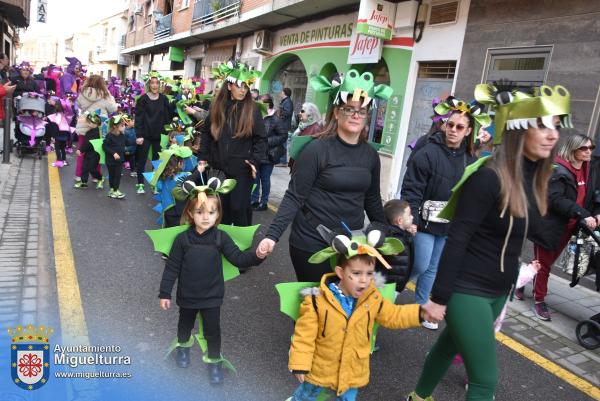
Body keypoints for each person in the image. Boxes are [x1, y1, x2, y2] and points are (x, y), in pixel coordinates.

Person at [406, 83, 571, 401]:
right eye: (541, 125)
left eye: (556, 126)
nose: (552, 134)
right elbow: (457, 238)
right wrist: (439, 298)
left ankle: (417, 397)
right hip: (467, 292)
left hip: (498, 291)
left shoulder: (531, 181)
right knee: (485, 380)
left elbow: (538, 231)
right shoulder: (487, 178)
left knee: (446, 347)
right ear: (518, 129)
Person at [256, 69, 393, 281]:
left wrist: (385, 232)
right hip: (312, 242)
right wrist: (272, 236)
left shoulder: (370, 155)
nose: (356, 115)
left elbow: (372, 199)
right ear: (336, 113)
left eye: (362, 111)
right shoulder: (316, 150)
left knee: (343, 308)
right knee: (315, 307)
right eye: (349, 109)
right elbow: (294, 196)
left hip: (351, 244)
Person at [286, 234, 436, 401]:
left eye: (369, 273)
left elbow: (394, 315)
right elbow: (304, 336)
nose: (364, 280)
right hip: (320, 366)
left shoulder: (372, 299)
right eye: (356, 273)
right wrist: (300, 364)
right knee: (306, 396)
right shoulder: (316, 301)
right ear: (340, 272)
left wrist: (420, 313)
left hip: (353, 369)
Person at [159, 179, 265, 384]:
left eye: (211, 212)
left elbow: (238, 259)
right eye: (199, 212)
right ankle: (183, 349)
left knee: (213, 331)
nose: (205, 217)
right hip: (187, 295)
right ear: (190, 213)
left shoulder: (221, 238)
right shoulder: (182, 240)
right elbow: (172, 267)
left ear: (218, 214)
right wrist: (164, 293)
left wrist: (258, 256)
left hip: (212, 296)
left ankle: (214, 362)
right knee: (184, 325)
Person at [400, 97, 490, 330]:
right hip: (424, 223)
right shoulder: (427, 152)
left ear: (469, 131)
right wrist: (412, 220)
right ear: (444, 124)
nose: (453, 130)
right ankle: (390, 289)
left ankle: (422, 309)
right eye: (450, 125)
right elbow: (412, 188)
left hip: (449, 225)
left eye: (460, 127)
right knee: (419, 264)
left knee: (433, 267)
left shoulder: (470, 157)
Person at [520, 133, 598, 320]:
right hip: (550, 226)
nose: (589, 152)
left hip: (568, 227)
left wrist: (594, 214)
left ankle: (520, 280)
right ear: (573, 149)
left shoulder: (587, 169)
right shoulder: (559, 169)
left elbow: (588, 196)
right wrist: (582, 214)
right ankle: (539, 301)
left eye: (591, 148)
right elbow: (555, 199)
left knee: (543, 262)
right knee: (544, 265)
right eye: (584, 148)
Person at [198, 60, 267, 226]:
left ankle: (242, 243)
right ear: (229, 86)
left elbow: (261, 139)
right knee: (221, 209)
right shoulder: (217, 107)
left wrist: (254, 160)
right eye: (239, 85)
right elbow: (206, 133)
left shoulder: (252, 109)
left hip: (242, 170)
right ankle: (222, 242)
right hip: (219, 169)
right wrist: (204, 157)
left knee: (239, 207)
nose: (243, 90)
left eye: (246, 86)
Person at [134, 72, 173, 194]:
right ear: (148, 84)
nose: (154, 85)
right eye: (152, 83)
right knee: (142, 160)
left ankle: (154, 183)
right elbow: (139, 118)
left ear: (160, 84)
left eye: (157, 83)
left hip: (159, 136)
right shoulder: (143, 99)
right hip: (145, 135)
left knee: (157, 161)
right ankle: (140, 183)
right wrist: (139, 135)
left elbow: (168, 117)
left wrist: (169, 133)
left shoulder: (164, 99)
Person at [75, 75, 118, 182]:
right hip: (99, 127)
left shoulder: (83, 92)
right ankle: (95, 176)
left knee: (82, 151)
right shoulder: (105, 94)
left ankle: (79, 175)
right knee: (97, 152)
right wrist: (111, 98)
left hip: (84, 124)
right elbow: (112, 108)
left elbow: (79, 105)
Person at [251, 93, 287, 211]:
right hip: (256, 153)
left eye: (260, 104)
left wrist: (267, 141)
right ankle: (254, 200)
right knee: (255, 177)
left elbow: (283, 136)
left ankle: (264, 202)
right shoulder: (257, 116)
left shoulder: (275, 119)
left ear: (267, 105)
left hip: (268, 154)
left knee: (265, 179)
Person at [379, 199, 417, 293]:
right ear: (400, 220)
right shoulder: (395, 239)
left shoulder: (400, 234)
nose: (412, 217)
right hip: (389, 287)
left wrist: (409, 233)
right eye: (409, 215)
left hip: (391, 284)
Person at [287, 102, 323, 169]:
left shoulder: (316, 129)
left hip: (304, 166)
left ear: (310, 114)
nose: (300, 113)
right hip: (297, 164)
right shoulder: (303, 126)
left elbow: (316, 152)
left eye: (302, 111)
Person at [74, 111, 104, 189]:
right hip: (88, 153)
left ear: (96, 123)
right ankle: (84, 182)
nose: (88, 124)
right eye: (88, 122)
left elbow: (88, 143)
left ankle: (100, 178)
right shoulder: (90, 131)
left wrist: (80, 150)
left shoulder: (96, 132)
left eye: (90, 123)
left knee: (92, 168)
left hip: (95, 154)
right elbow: (86, 143)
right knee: (85, 167)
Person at [103, 114, 128, 199]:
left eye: (124, 125)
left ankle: (115, 190)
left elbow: (124, 145)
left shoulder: (122, 135)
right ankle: (112, 190)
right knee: (112, 175)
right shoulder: (109, 136)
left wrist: (126, 150)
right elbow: (105, 146)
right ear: (114, 126)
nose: (124, 127)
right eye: (122, 125)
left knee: (117, 175)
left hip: (120, 160)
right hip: (110, 161)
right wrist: (113, 153)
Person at [46, 98, 75, 168]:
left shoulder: (56, 116)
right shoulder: (66, 115)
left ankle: (59, 161)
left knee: (57, 148)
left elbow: (55, 127)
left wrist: (53, 136)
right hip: (65, 135)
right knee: (63, 148)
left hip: (58, 135)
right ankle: (64, 160)